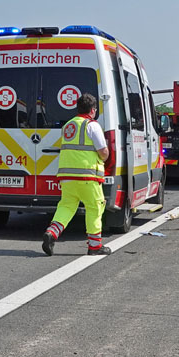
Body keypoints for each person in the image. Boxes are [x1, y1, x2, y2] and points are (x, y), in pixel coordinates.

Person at [41, 93, 111, 257]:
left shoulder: (68, 126)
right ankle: (95, 246)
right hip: (88, 177)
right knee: (95, 207)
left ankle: (52, 233)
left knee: (66, 206)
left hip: (67, 177)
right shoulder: (92, 125)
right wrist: (104, 157)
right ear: (93, 110)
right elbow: (103, 151)